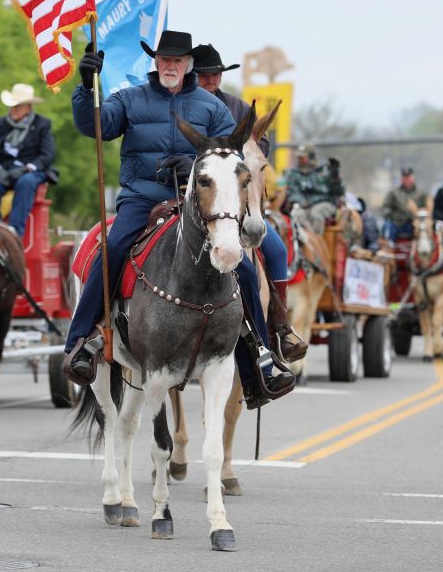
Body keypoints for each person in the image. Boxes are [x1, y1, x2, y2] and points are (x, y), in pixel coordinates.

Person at [63, 29, 295, 407]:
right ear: (155, 62)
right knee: (114, 248)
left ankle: (261, 363)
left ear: (188, 65)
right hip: (142, 198)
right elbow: (94, 126)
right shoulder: (129, 99)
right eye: (164, 59)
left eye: (177, 60)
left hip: (197, 204)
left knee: (245, 270)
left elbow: (227, 154)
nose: (170, 66)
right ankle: (79, 344)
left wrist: (191, 163)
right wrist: (86, 89)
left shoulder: (210, 107)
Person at [192, 43, 306, 361]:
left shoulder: (240, 107)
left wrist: (245, 153)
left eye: (215, 74)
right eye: (203, 75)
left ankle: (280, 326)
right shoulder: (186, 106)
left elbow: (261, 143)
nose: (210, 80)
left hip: (240, 200)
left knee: (276, 249)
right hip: (198, 199)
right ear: (193, 76)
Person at [0, 83, 56, 238]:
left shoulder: (42, 124)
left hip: (30, 171)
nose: (13, 110)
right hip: (4, 170)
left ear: (28, 107)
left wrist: (26, 168)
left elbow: (47, 155)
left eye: (17, 106)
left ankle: (14, 233)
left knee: (26, 182)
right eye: (12, 106)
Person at [275, 145, 343, 234]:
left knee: (316, 214)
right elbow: (291, 191)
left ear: (311, 157)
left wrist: (336, 179)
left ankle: (317, 243)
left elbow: (339, 192)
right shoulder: (292, 174)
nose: (300, 160)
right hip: (303, 205)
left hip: (324, 204)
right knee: (298, 215)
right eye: (298, 157)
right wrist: (300, 200)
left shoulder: (324, 171)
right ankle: (306, 243)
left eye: (303, 157)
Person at [381, 166, 430, 242]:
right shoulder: (394, 193)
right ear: (401, 179)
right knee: (387, 226)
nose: (407, 179)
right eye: (404, 177)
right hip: (397, 223)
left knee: (424, 229)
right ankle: (389, 247)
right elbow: (386, 207)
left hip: (414, 223)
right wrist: (389, 215)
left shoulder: (421, 194)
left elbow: (426, 208)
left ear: (413, 178)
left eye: (408, 177)